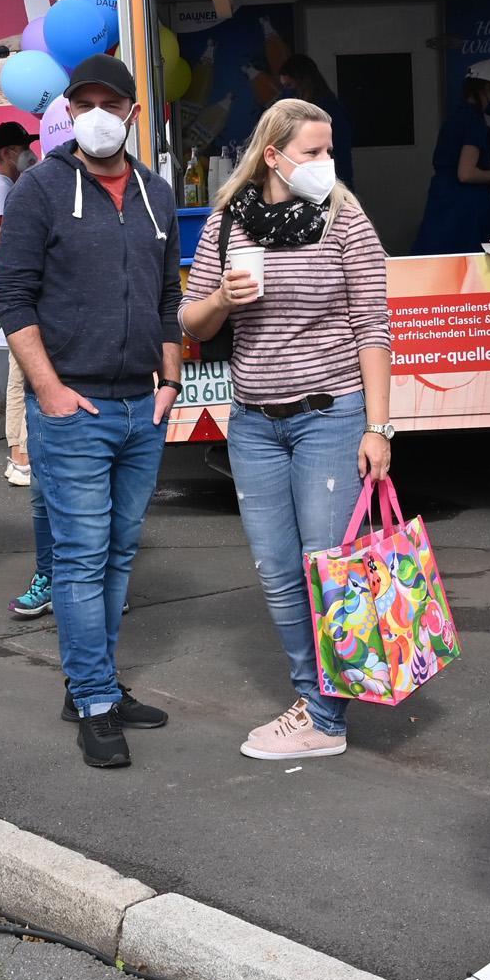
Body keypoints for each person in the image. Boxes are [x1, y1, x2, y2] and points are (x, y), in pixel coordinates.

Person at [181, 98, 393, 762]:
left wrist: (379, 426)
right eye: (312, 151)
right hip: (253, 425)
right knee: (277, 573)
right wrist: (222, 299)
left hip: (331, 417)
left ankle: (324, 716)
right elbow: (192, 320)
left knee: (327, 569)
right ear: (273, 156)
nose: (326, 163)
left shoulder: (346, 217)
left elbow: (373, 326)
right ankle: (317, 701)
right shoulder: (227, 221)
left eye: (331, 150)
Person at [0, 54, 182, 769]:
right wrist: (47, 389)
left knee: (118, 553)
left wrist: (169, 380)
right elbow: (14, 298)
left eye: (112, 102)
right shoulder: (40, 189)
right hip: (73, 407)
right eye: (85, 103)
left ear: (134, 112)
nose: (98, 114)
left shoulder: (156, 194)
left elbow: (168, 296)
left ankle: (93, 682)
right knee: (80, 557)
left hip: (142, 407)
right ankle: (96, 699)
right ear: (69, 112)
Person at [0, 121, 41, 488]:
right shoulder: (1, 193)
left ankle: (17, 454)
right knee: (24, 375)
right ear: (6, 154)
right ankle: (21, 457)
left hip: (19, 291)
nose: (29, 154)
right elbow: (8, 243)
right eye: (22, 147)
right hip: (19, 292)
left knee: (19, 375)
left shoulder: (11, 188)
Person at [411, 60, 490, 256]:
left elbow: (457, 163)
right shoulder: (473, 121)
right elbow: (466, 173)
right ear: (487, 88)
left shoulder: (456, 117)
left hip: (444, 202)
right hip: (462, 209)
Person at [277, 55, 354, 186]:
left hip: (332, 180)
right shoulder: (307, 106)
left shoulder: (327, 109)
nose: (288, 91)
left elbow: (339, 149)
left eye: (289, 85)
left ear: (303, 81)